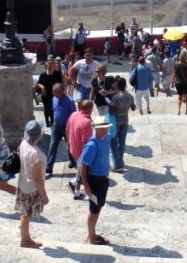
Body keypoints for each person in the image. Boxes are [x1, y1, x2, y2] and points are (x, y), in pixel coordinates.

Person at [79, 117, 113, 246]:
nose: (104, 130)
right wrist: (86, 186)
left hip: (103, 179)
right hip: (95, 181)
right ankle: (92, 238)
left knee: (99, 206)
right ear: (95, 129)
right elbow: (83, 165)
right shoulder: (92, 145)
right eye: (101, 128)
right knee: (94, 210)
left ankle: (91, 233)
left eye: (105, 127)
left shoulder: (108, 137)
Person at [16, 120, 49, 249]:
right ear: (39, 135)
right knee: (27, 215)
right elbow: (38, 180)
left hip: (23, 184)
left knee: (24, 213)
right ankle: (25, 241)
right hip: (32, 189)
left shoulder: (23, 143)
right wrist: (44, 196)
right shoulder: (37, 155)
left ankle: (26, 238)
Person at [46, 83, 78, 175]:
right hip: (56, 126)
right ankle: (49, 166)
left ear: (62, 91)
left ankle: (74, 162)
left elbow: (74, 115)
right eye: (54, 92)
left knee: (70, 146)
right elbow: (54, 111)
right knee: (53, 145)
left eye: (57, 92)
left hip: (67, 127)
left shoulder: (70, 101)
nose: (55, 94)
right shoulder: (54, 99)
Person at [66, 100, 94, 198]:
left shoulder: (74, 114)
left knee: (80, 171)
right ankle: (76, 190)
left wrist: (68, 144)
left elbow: (67, 129)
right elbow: (86, 142)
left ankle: (74, 185)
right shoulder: (86, 122)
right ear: (90, 109)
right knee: (84, 173)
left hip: (73, 148)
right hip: (81, 152)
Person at [108, 77, 133, 171]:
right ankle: (120, 160)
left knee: (113, 142)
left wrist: (109, 104)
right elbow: (133, 108)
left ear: (118, 85)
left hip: (116, 122)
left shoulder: (116, 97)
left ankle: (118, 165)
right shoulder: (130, 96)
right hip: (125, 120)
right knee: (122, 142)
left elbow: (111, 112)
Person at [173, 51, 187, 116]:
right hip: (185, 83)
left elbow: (174, 75)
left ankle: (178, 110)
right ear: (185, 56)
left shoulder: (176, 64)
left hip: (178, 83)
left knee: (180, 97)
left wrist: (172, 82)